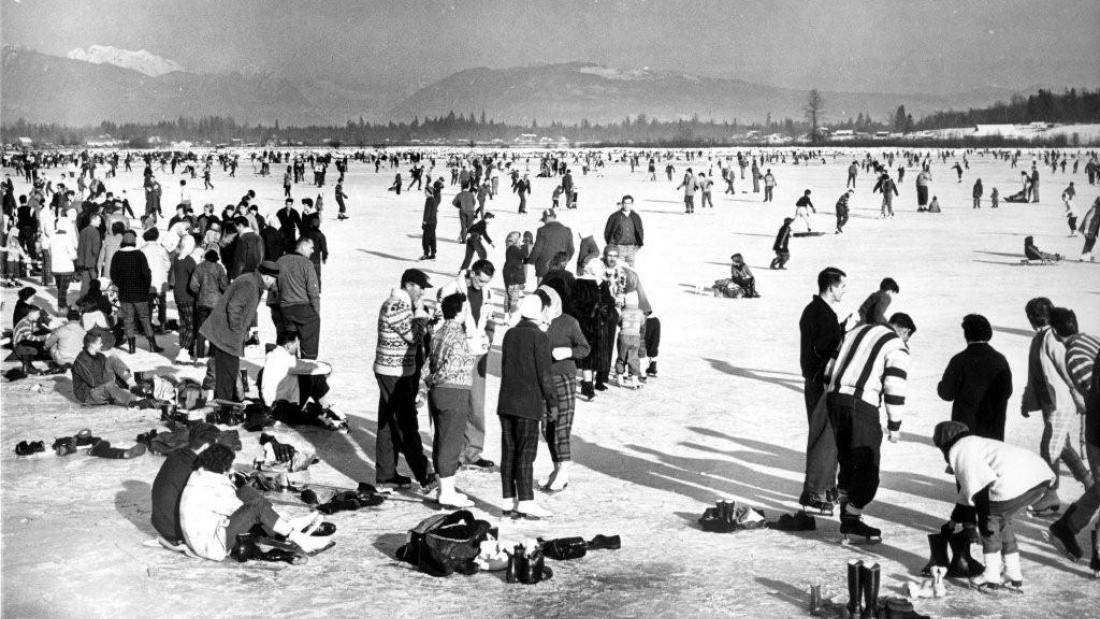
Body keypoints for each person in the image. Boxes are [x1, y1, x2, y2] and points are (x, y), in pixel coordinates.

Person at [824, 312, 916, 541]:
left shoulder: (854, 332)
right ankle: (852, 517)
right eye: (908, 337)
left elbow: (829, 369)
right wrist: (894, 425)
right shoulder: (896, 345)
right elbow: (895, 385)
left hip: (834, 400)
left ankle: (848, 517)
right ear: (904, 331)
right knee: (867, 466)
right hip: (862, 404)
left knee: (847, 461)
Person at [932, 421, 1054, 590]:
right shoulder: (976, 444)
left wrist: (983, 521)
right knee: (1003, 521)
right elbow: (966, 495)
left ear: (944, 444)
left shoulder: (961, 451)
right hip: (1039, 478)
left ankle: (991, 574)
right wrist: (952, 522)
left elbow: (980, 488)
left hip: (1016, 483)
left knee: (991, 522)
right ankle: (1013, 572)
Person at [178, 443, 331, 561]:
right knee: (257, 506)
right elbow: (243, 509)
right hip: (212, 545)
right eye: (228, 466)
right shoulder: (210, 486)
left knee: (245, 492)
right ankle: (298, 537)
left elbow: (236, 502)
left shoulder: (203, 477)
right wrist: (271, 515)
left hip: (209, 534)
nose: (230, 470)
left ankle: (285, 528)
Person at [936, 313, 1013, 537]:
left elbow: (946, 393)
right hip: (993, 428)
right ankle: (988, 521)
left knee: (966, 473)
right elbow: (1007, 391)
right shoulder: (1000, 360)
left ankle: (968, 523)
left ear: (966, 335)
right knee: (988, 473)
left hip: (964, 429)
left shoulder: (959, 360)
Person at [1020, 297, 1089, 516]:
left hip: (1060, 402)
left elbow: (1066, 367)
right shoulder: (1039, 338)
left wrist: (1076, 392)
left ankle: (1051, 494)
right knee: (1062, 446)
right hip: (1049, 402)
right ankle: (1090, 483)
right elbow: (1034, 374)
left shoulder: (1051, 338)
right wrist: (1026, 399)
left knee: (1049, 446)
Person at [1046, 307, 1100, 572]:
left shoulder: (1077, 351)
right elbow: (1096, 393)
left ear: (1056, 333)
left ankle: (1066, 528)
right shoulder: (1084, 346)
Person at [373, 269, 435, 489]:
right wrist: (421, 315)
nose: (423, 292)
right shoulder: (397, 306)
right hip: (394, 372)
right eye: (420, 288)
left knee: (388, 423)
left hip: (396, 370)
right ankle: (424, 475)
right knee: (405, 423)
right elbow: (414, 337)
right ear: (408, 285)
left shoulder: (401, 305)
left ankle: (386, 475)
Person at [498, 294, 558, 519]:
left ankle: (508, 500)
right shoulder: (539, 337)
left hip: (506, 402)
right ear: (539, 311)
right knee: (525, 453)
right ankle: (525, 501)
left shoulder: (510, 334)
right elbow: (545, 374)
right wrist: (552, 402)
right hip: (528, 403)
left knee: (509, 453)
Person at [436, 261, 497, 470]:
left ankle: (473, 452)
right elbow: (441, 321)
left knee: (476, 405)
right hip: (457, 354)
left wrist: (488, 338)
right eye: (480, 280)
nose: (482, 285)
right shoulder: (451, 289)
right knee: (457, 406)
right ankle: (455, 454)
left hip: (478, 354)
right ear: (472, 273)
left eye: (486, 282)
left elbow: (490, 319)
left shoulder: (488, 292)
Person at [797, 267, 846, 514]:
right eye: (842, 286)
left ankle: (823, 487)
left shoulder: (819, 311)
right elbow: (824, 350)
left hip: (819, 381)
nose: (844, 291)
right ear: (831, 287)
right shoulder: (820, 313)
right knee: (823, 438)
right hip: (821, 383)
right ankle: (815, 492)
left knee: (828, 437)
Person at [200, 261, 280, 403]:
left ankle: (226, 402)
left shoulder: (253, 282)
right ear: (267, 277)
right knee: (227, 374)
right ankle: (225, 406)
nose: (275, 283)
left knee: (227, 372)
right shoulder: (249, 284)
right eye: (274, 279)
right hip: (225, 335)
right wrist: (238, 330)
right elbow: (234, 307)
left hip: (226, 334)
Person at [426, 292, 476, 508]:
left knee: (441, 440)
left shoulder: (438, 333)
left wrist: (429, 380)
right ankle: (447, 492)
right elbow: (451, 368)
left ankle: (443, 488)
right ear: (460, 311)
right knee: (451, 442)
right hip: (454, 392)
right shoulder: (458, 337)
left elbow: (428, 362)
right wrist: (436, 378)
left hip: (438, 393)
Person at [540, 285, 589, 492]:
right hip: (543, 379)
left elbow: (584, 348)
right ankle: (556, 467)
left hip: (564, 377)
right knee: (546, 426)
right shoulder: (537, 322)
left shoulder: (569, 322)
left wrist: (568, 352)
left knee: (562, 425)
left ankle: (564, 470)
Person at [259, 330, 346, 432]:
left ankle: (323, 407)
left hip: (273, 406)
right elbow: (306, 367)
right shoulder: (284, 360)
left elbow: (301, 363)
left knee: (309, 374)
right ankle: (325, 407)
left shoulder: (275, 355)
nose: (297, 348)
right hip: (281, 410)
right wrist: (328, 368)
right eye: (296, 345)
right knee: (314, 375)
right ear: (288, 346)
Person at [151, 423, 223, 545]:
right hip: (177, 529)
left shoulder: (179, 454)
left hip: (161, 522)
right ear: (206, 446)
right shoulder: (193, 469)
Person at [111, 230, 161, 354]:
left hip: (125, 293)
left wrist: (121, 285)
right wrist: (146, 287)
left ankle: (131, 347)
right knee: (145, 318)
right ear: (134, 242)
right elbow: (146, 274)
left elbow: (113, 275)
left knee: (128, 319)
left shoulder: (117, 255)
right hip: (140, 293)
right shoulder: (139, 255)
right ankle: (152, 345)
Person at [71, 331, 152, 407]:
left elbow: (110, 373)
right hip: (88, 395)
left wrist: (123, 381)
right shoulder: (81, 362)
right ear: (92, 345)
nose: (102, 344)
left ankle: (134, 385)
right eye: (99, 342)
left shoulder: (100, 356)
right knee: (109, 386)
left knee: (112, 359)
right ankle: (135, 400)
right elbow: (95, 383)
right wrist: (113, 382)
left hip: (101, 386)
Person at [276, 237, 322, 360]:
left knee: (289, 341)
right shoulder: (307, 263)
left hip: (285, 308)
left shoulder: (280, 261)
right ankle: (309, 362)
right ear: (303, 247)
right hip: (303, 308)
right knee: (310, 336)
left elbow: (275, 287)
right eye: (311, 248)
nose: (312, 251)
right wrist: (316, 313)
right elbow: (313, 292)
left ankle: (289, 363)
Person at [190, 250, 229, 362]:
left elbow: (193, 285)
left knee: (201, 329)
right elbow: (224, 285)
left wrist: (199, 293)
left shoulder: (199, 267)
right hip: (216, 304)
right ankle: (213, 354)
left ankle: (200, 354)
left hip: (202, 302)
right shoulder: (219, 268)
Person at [171, 234, 200, 364]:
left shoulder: (177, 258)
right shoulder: (189, 261)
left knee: (183, 324)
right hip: (188, 295)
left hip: (178, 294)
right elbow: (196, 278)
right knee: (191, 325)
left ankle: (184, 349)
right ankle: (183, 351)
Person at [526, 209, 574, 281]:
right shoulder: (567, 230)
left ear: (546, 218)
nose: (544, 222)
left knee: (542, 286)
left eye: (544, 220)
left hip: (543, 265)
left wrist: (531, 260)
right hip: (559, 265)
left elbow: (537, 249)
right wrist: (564, 261)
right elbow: (571, 249)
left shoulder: (542, 230)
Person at [603, 195, 644, 267]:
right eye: (625, 203)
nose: (626, 205)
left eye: (629, 203)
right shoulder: (614, 216)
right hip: (619, 247)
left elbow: (640, 231)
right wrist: (612, 245)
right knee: (619, 268)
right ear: (622, 204)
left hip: (631, 248)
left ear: (632, 204)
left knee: (630, 270)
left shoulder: (635, 217)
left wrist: (637, 246)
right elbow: (607, 232)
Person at [502, 231, 529, 323]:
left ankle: (507, 315)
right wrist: (525, 245)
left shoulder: (510, 248)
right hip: (513, 276)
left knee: (508, 294)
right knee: (513, 297)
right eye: (518, 240)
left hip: (509, 275)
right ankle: (511, 316)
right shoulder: (514, 248)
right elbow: (524, 255)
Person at [75, 213, 102, 298]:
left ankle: (83, 300)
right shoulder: (96, 232)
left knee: (85, 283)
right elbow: (95, 250)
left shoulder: (83, 231)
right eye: (99, 220)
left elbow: (79, 246)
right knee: (94, 283)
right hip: (92, 262)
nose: (100, 222)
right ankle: (94, 299)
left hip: (82, 261)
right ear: (93, 220)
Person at [419, 177, 443, 260]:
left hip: (429, 222)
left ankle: (426, 253)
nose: (424, 193)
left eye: (425, 192)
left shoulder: (429, 200)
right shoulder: (433, 200)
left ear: (429, 192)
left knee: (425, 238)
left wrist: (424, 222)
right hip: (433, 222)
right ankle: (433, 253)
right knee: (432, 238)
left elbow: (427, 213)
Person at [1080, 197, 1099, 261]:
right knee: (1089, 241)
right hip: (1089, 228)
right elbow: (1088, 218)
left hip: (1093, 228)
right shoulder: (1094, 209)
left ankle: (1087, 255)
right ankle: (1083, 256)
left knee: (1092, 241)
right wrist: (1086, 229)